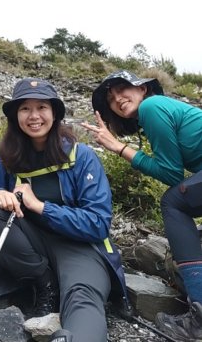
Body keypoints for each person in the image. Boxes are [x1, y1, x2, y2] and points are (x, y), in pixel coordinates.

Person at [0, 78, 129, 342]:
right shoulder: (9, 156)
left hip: (81, 247)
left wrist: (40, 207)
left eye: (42, 107)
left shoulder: (82, 156)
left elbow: (98, 224)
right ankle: (45, 283)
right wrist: (0, 194)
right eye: (24, 109)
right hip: (32, 242)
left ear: (55, 113)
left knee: (82, 296)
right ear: (15, 115)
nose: (34, 116)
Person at [82, 70, 202, 341]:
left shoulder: (152, 106)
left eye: (123, 89)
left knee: (173, 202)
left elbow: (171, 175)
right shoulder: (156, 113)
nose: (118, 99)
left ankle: (200, 315)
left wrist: (117, 147)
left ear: (143, 89)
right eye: (111, 99)